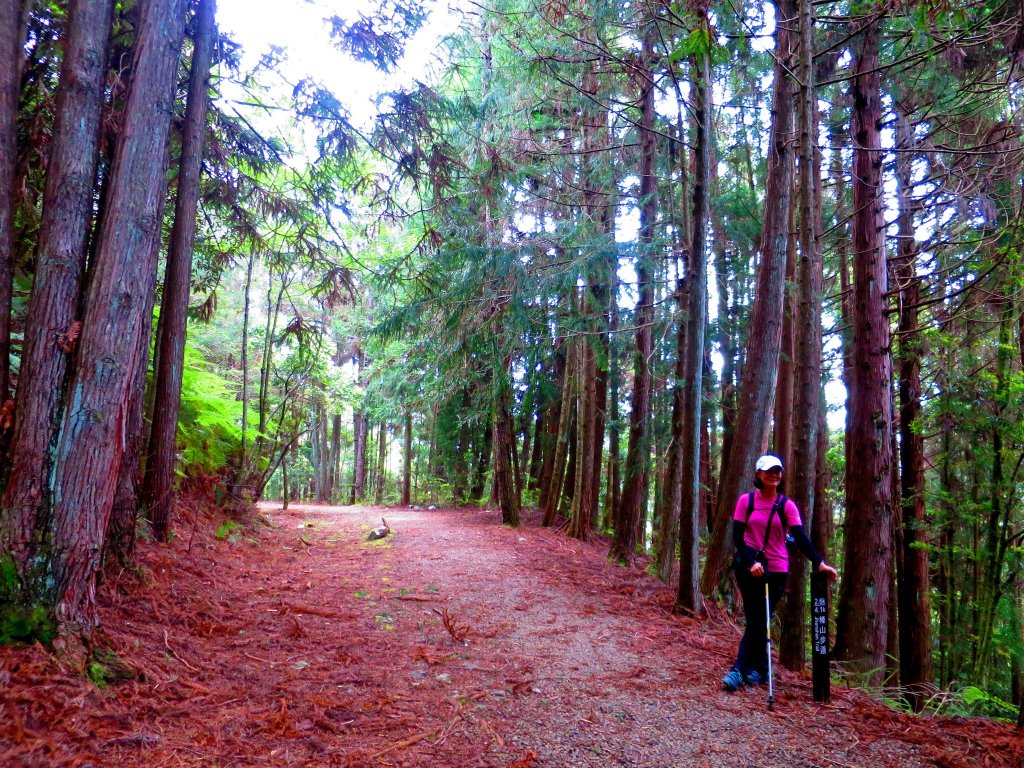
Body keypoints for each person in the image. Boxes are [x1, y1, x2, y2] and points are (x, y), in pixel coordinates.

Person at [721, 454, 839, 692]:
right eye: (769, 471)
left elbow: (801, 538)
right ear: (758, 475)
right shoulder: (746, 501)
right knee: (756, 619)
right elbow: (737, 536)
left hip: (775, 572)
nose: (775, 474)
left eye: (778, 471)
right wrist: (749, 562)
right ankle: (762, 668)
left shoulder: (787, 506)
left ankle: (739, 669)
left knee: (758, 619)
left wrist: (819, 563)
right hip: (749, 569)